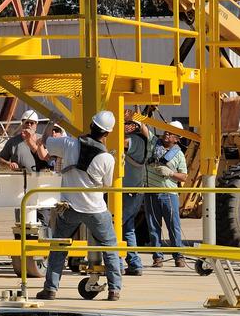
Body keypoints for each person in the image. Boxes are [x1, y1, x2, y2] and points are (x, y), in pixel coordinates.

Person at [37, 111, 123, 301]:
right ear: (107, 134)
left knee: (58, 246)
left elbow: (43, 143)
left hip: (69, 208)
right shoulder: (107, 158)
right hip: (95, 209)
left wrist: (53, 122)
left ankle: (50, 289)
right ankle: (114, 290)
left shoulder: (69, 144)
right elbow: (107, 185)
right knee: (109, 247)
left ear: (91, 125)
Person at [145, 121, 189, 267]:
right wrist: (140, 109)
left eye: (171, 133)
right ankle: (158, 257)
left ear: (177, 138)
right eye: (166, 131)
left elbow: (183, 176)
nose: (167, 133)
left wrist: (170, 173)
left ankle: (178, 256)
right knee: (153, 227)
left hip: (169, 194)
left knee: (173, 225)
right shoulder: (153, 144)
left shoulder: (178, 154)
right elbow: (143, 127)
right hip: (151, 192)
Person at [121, 109, 153, 275]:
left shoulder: (136, 141)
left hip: (129, 191)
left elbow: (122, 143)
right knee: (127, 227)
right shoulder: (144, 141)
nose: (126, 127)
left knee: (115, 225)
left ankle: (117, 262)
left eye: (128, 125)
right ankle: (134, 263)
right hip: (132, 191)